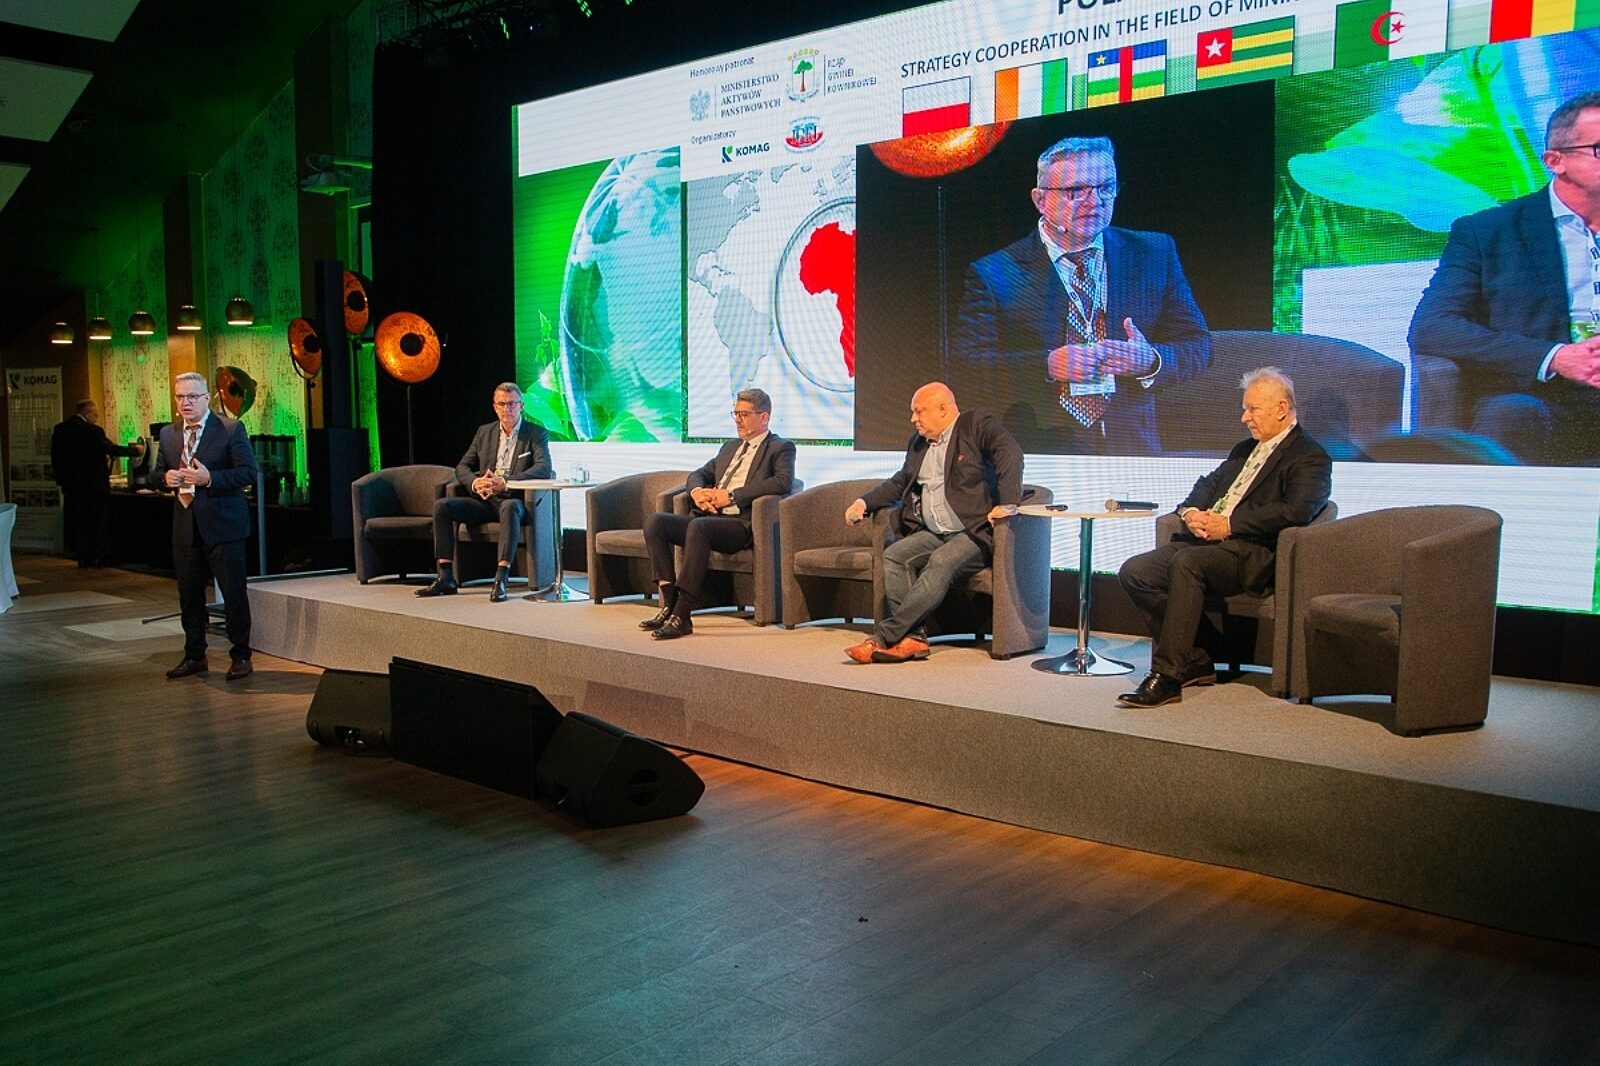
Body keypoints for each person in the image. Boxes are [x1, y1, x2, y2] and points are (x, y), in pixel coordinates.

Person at [953, 135, 1211, 455]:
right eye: (1076, 191)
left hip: (1132, 452)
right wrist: (1047, 365)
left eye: (1106, 188)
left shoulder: (1154, 253)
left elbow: (1198, 345)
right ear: (1040, 200)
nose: (1095, 201)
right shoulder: (994, 273)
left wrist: (1151, 361)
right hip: (1037, 452)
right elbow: (967, 366)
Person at [1116, 367, 1331, 707]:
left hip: (1252, 552)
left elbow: (1295, 511)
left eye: (1252, 409)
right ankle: (1198, 658)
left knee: (1187, 562)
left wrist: (1229, 525)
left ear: (1281, 409)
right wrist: (1191, 513)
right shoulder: (1244, 449)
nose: (1245, 418)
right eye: (1245, 409)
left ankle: (1168, 676)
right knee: (1136, 571)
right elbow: (1209, 484)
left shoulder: (1309, 456)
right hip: (1206, 544)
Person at [1408, 91, 1600, 466]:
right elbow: (1432, 327)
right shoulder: (1489, 232)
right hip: (1541, 393)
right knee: (1510, 415)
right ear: (1555, 161)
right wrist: (1556, 358)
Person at [842, 382, 1023, 664]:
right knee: (894, 555)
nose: (913, 419)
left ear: (942, 409)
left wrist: (1008, 503)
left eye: (919, 411)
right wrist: (864, 503)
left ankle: (884, 637)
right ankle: (913, 638)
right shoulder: (918, 444)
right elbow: (900, 482)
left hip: (974, 533)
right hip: (935, 532)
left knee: (940, 561)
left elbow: (1009, 451)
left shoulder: (975, 424)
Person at [640, 388, 795, 640]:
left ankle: (683, 614)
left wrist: (732, 496)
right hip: (708, 518)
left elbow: (783, 482)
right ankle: (669, 604)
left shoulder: (780, 447)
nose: (737, 420)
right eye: (735, 413)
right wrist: (698, 492)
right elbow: (698, 474)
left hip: (740, 524)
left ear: (764, 417)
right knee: (656, 522)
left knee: (698, 527)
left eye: (744, 414)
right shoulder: (729, 448)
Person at [154, 373, 259, 682]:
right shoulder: (169, 434)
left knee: (233, 595)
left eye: (192, 397)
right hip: (185, 527)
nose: (185, 403)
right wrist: (165, 479)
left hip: (224, 528)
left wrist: (209, 478)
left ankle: (241, 656)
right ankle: (195, 655)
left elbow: (247, 473)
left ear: (207, 398)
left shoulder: (230, 429)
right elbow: (156, 473)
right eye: (180, 397)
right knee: (189, 596)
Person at [417, 383, 553, 602]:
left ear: (521, 406)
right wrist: (475, 482)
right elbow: (463, 466)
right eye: (502, 404)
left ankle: (501, 578)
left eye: (512, 404)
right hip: (485, 501)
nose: (507, 409)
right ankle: (445, 576)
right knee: (443, 506)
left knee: (509, 507)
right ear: (495, 407)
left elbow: (543, 468)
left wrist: (505, 482)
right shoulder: (484, 432)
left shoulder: (535, 434)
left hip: (515, 500)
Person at [51, 399, 143, 567]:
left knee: (79, 522)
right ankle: (97, 557)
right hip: (94, 486)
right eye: (96, 415)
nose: (97, 418)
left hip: (72, 487)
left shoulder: (60, 429)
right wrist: (134, 451)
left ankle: (82, 557)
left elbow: (56, 459)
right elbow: (110, 449)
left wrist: (62, 482)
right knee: (96, 523)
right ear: (87, 414)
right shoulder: (93, 431)